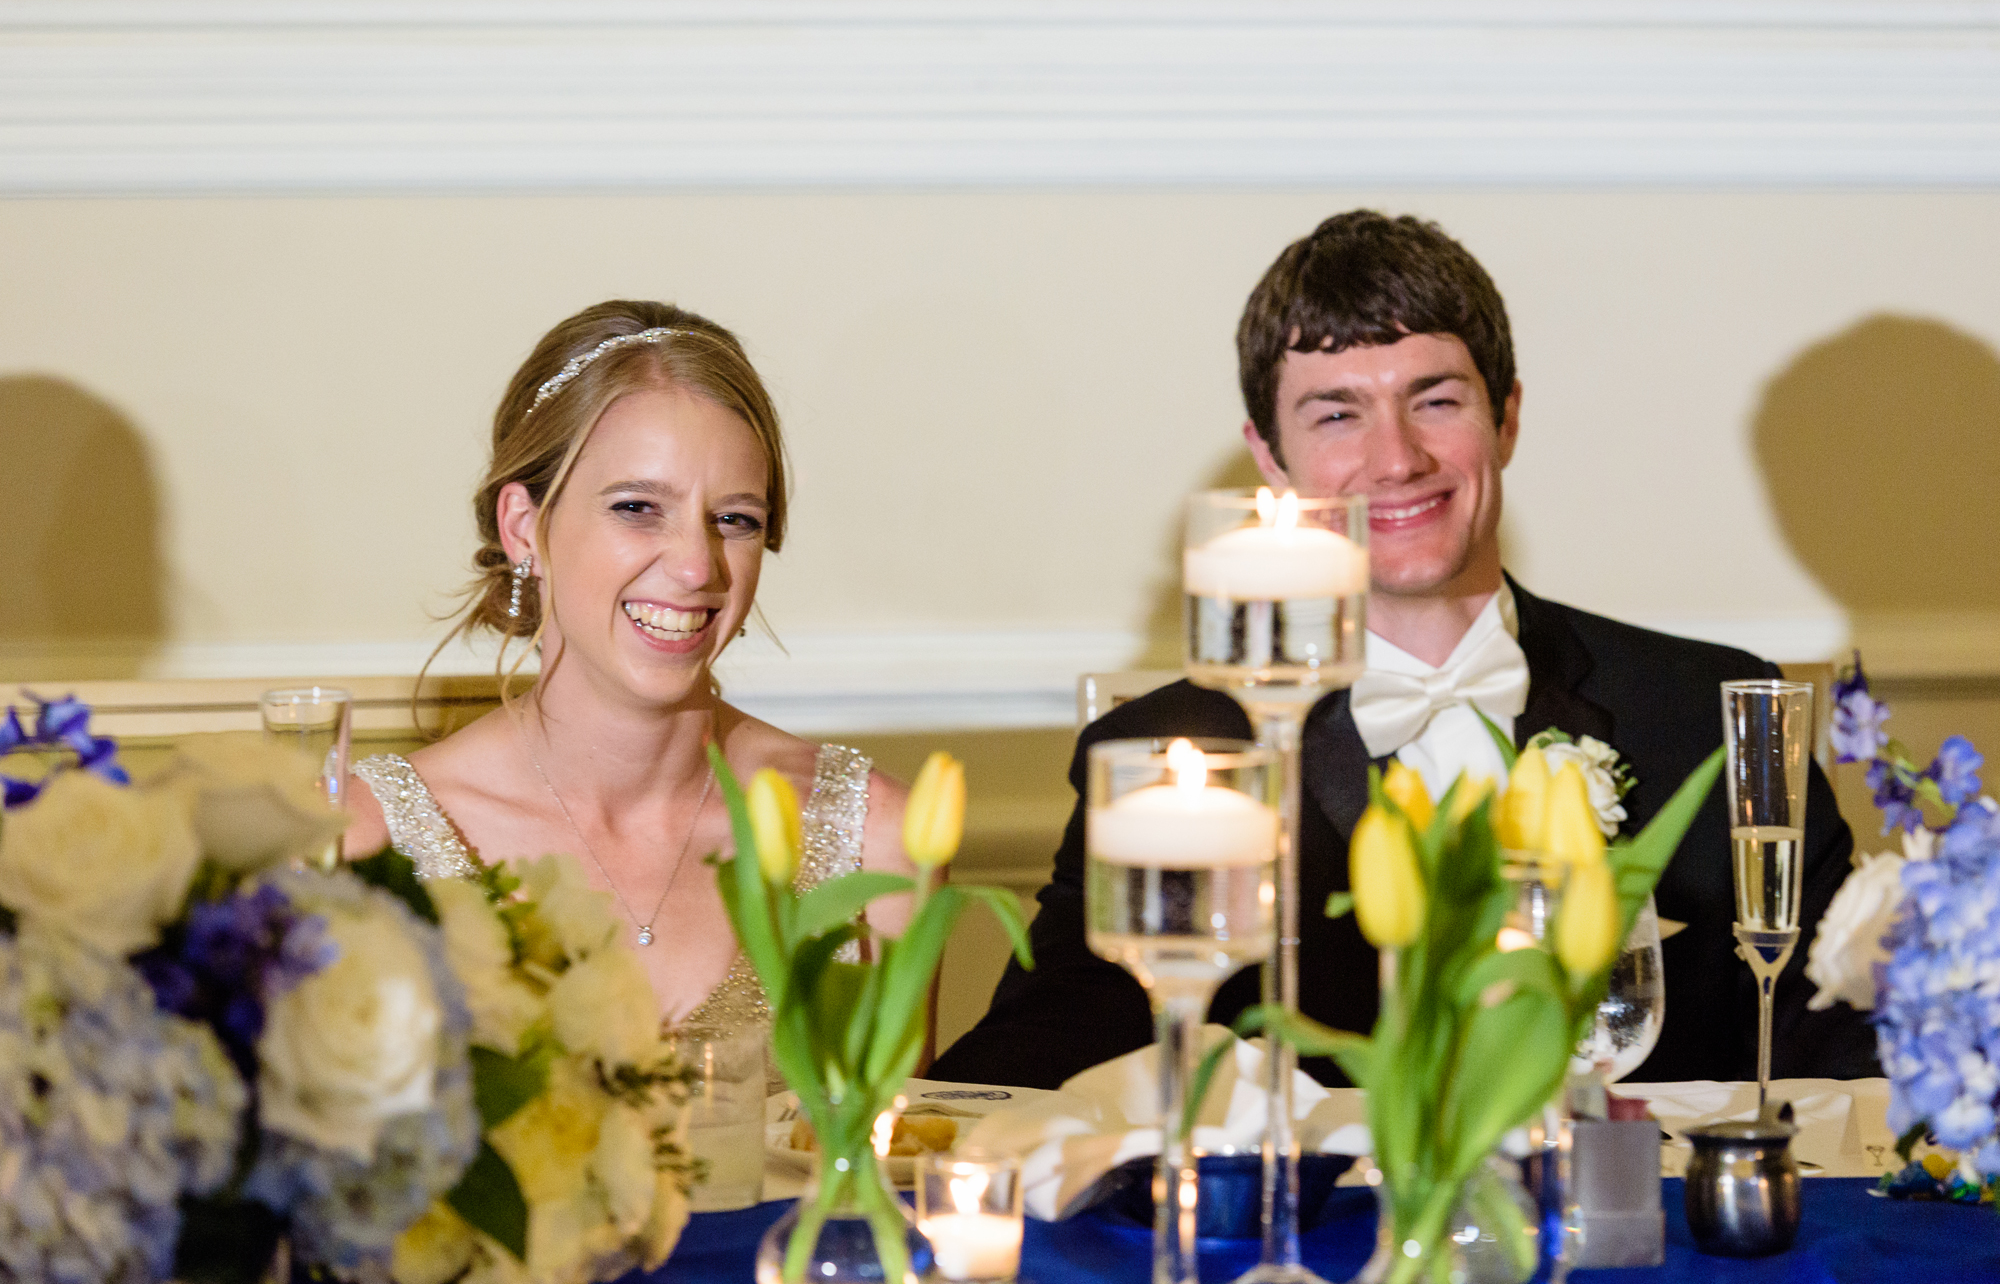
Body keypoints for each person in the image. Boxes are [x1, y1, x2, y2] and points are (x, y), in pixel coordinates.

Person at [931, 211, 1879, 1089]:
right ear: (1271, 457)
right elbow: (1038, 1058)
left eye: (1435, 400)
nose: (1396, 460)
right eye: (1337, 414)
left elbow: (1845, 1033)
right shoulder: (1168, 752)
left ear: (1506, 416)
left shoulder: (1713, 705)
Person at [344, 300, 912, 1032]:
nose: (696, 564)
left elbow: (898, 1141)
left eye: (735, 519)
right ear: (525, 529)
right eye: (639, 506)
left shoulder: (873, 835)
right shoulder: (364, 846)